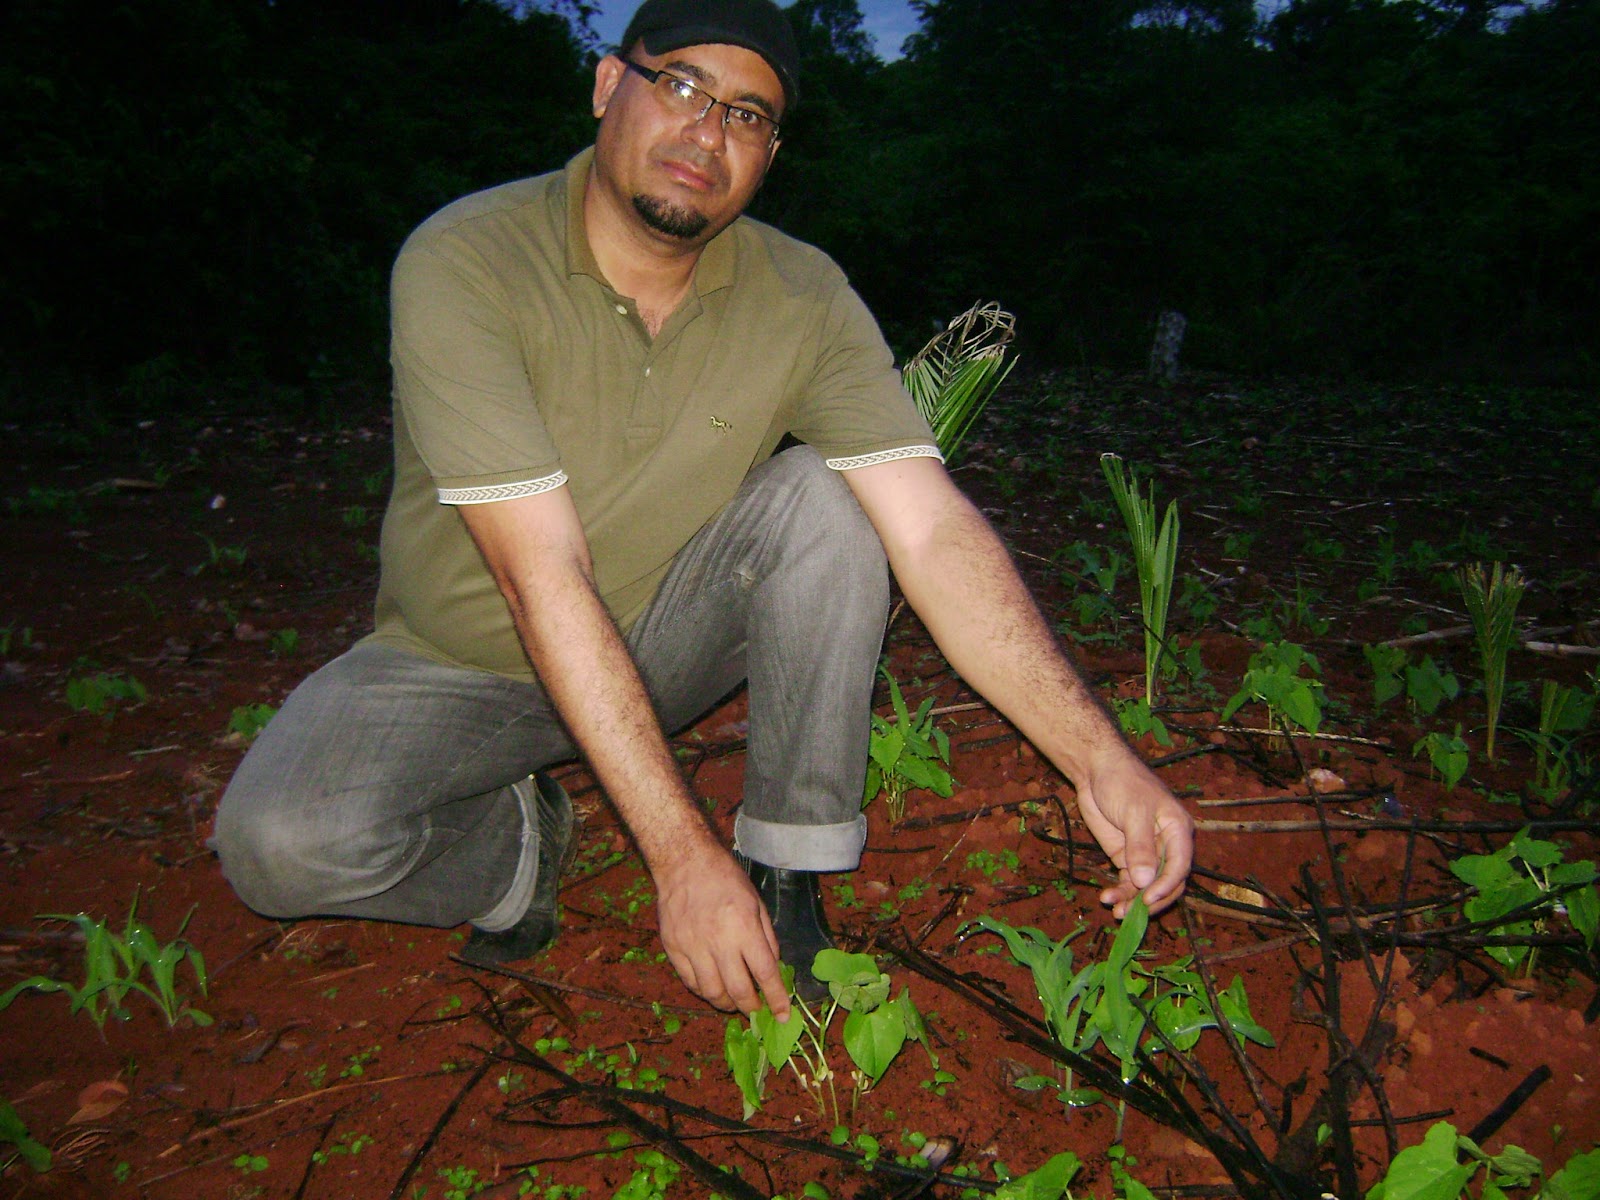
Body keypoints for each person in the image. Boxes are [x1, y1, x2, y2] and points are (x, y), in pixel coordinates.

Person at [212, 0, 1193, 1023]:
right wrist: (675, 856)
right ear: (606, 86)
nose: (707, 132)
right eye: (679, 85)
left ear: (771, 154)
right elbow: (534, 574)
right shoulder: (468, 260)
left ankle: (785, 871)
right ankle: (519, 852)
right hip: (450, 660)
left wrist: (1099, 759)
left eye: (748, 115)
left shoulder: (802, 295)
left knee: (831, 490)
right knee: (280, 845)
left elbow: (931, 529)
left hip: (659, 643)